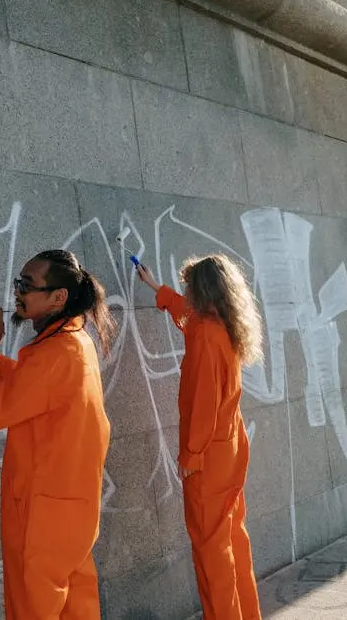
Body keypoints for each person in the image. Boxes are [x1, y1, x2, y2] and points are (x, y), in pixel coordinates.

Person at [0, 249, 116, 619]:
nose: (18, 292)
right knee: (76, 610)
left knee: (33, 609)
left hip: (42, 514)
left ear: (59, 297)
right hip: (72, 509)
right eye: (18, 283)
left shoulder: (55, 351)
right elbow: (34, 387)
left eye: (27, 285)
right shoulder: (75, 342)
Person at [137, 254, 263, 620]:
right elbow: (189, 319)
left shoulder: (206, 334)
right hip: (229, 451)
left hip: (208, 459)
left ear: (201, 290)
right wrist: (158, 289)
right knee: (233, 541)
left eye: (188, 286)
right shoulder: (222, 326)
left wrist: (191, 456)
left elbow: (204, 403)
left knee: (211, 553)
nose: (186, 292)